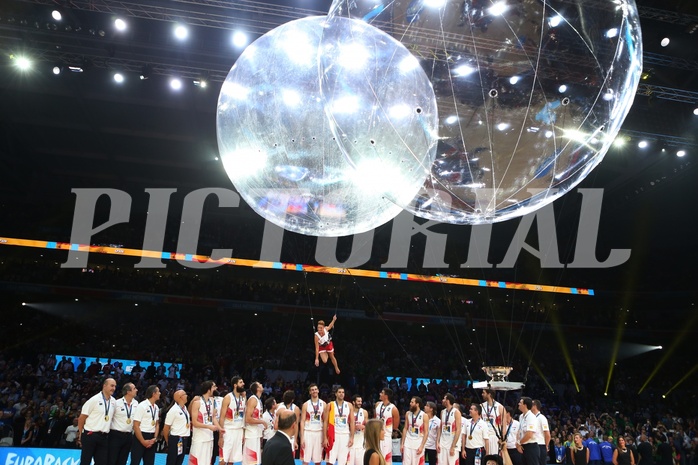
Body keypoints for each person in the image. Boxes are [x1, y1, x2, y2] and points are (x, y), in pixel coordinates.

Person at [77, 377, 117, 465]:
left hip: (104, 437)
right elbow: (81, 418)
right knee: (85, 461)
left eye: (115, 386)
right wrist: (81, 433)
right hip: (90, 435)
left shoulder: (114, 402)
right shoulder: (94, 400)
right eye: (112, 386)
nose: (113, 388)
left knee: (102, 462)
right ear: (104, 386)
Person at [190, 381, 221, 465]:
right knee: (196, 462)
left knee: (207, 462)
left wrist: (220, 428)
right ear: (208, 390)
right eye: (214, 387)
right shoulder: (197, 403)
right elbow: (195, 423)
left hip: (209, 438)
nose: (216, 388)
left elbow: (213, 418)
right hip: (199, 439)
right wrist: (208, 427)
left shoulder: (212, 401)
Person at [109, 382, 139, 465]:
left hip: (128, 436)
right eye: (134, 389)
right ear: (128, 392)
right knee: (112, 460)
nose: (136, 390)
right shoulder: (116, 403)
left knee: (122, 461)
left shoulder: (136, 404)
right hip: (115, 435)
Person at [219, 376, 247, 465]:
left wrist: (243, 432)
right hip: (228, 431)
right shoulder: (228, 397)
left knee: (232, 460)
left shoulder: (243, 398)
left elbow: (243, 417)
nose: (243, 384)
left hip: (238, 431)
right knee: (223, 459)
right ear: (235, 385)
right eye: (241, 382)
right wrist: (220, 436)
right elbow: (222, 417)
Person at [131, 385, 161, 465]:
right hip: (140, 436)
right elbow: (136, 425)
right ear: (153, 393)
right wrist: (142, 441)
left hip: (152, 438)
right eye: (158, 391)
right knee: (135, 462)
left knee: (149, 462)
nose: (160, 393)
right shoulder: (142, 406)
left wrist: (155, 438)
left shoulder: (157, 407)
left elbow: (157, 424)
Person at [325, 386, 355, 465]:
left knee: (343, 460)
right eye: (339, 392)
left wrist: (352, 437)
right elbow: (325, 422)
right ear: (336, 394)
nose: (341, 394)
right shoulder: (330, 405)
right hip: (333, 435)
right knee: (330, 459)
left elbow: (352, 422)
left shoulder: (349, 405)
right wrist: (325, 437)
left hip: (345, 435)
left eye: (343, 392)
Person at [300, 383, 327, 465]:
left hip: (319, 432)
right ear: (310, 392)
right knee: (306, 459)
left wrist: (325, 437)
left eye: (315, 389)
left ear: (318, 390)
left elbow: (325, 421)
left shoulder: (324, 404)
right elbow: (302, 421)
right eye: (312, 390)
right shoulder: (306, 404)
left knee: (318, 460)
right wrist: (301, 437)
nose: (314, 391)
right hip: (308, 432)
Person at [163, 390, 191, 465]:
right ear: (180, 397)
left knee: (179, 461)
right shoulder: (173, 410)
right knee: (172, 461)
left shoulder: (185, 408)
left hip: (184, 439)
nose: (187, 396)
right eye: (185, 394)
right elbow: (166, 428)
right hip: (176, 439)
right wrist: (168, 441)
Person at [375, 388, 400, 465]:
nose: (380, 394)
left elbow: (395, 426)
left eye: (382, 393)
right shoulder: (377, 404)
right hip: (376, 435)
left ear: (386, 396)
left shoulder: (393, 408)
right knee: (376, 457)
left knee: (386, 459)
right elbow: (375, 419)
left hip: (386, 436)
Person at [244, 382, 267, 465]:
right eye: (260, 384)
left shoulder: (258, 400)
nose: (262, 385)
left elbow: (257, 417)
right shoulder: (253, 399)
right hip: (251, 433)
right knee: (251, 460)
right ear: (257, 389)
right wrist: (262, 422)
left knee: (255, 461)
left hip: (256, 433)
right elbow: (248, 418)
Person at [401, 396, 428, 465]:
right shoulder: (408, 413)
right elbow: (405, 428)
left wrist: (422, 446)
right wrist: (402, 443)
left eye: (412, 402)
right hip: (408, 442)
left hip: (418, 443)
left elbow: (426, 432)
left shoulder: (424, 415)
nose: (410, 403)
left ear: (417, 404)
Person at [436, 393, 462, 465]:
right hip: (443, 443)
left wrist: (453, 446)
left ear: (447, 400)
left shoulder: (456, 412)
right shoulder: (442, 412)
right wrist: (437, 442)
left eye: (444, 399)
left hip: (452, 444)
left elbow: (458, 430)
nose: (442, 400)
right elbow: (440, 428)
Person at [516, 397, 539, 465]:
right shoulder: (521, 417)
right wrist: (518, 443)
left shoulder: (531, 417)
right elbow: (519, 431)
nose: (518, 404)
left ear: (525, 405)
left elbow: (529, 434)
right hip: (523, 446)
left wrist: (519, 443)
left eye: (520, 403)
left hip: (531, 447)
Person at [481, 389, 504, 457]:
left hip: (494, 437)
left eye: (484, 393)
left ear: (489, 394)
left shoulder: (500, 407)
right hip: (483, 437)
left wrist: (502, 439)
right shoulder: (481, 406)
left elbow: (503, 426)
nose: (482, 394)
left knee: (493, 459)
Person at [531, 401, 550, 465]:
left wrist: (546, 446)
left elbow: (547, 434)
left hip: (540, 445)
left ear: (535, 406)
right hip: (533, 445)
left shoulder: (542, 418)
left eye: (531, 404)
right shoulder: (532, 417)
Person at [351, 395, 368, 465]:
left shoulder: (364, 412)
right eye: (358, 401)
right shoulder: (349, 412)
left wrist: (364, 427)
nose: (360, 403)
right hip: (350, 442)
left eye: (361, 401)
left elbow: (367, 427)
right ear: (353, 402)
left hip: (361, 443)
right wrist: (354, 428)